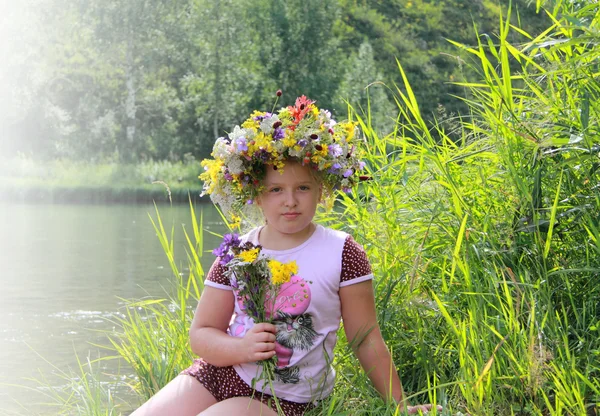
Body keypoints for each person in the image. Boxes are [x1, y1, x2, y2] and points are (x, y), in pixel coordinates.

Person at [131, 96, 441, 416]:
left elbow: (365, 338)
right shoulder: (238, 252)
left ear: (321, 189)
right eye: (276, 190)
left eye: (303, 188)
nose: (290, 201)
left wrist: (400, 407)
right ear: (256, 195)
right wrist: (241, 348)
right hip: (221, 373)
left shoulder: (342, 252)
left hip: (289, 399)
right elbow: (202, 334)